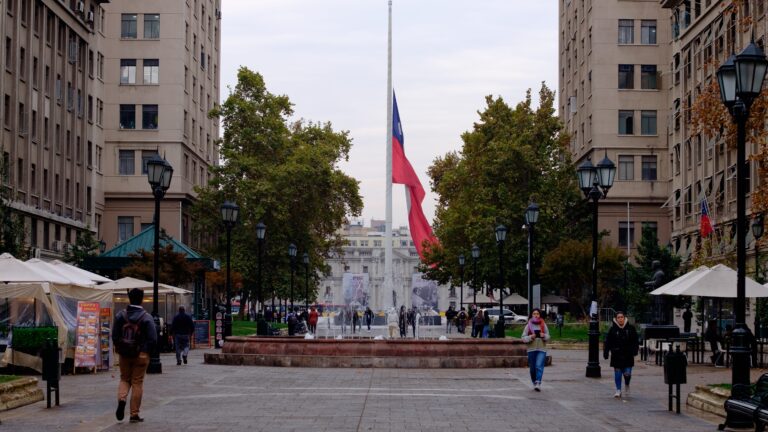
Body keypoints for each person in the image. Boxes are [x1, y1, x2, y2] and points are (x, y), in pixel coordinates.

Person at [113, 288, 157, 423]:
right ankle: (134, 414)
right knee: (137, 382)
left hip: (124, 354)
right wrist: (146, 351)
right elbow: (153, 339)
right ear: (142, 299)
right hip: (141, 354)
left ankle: (122, 399)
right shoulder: (146, 317)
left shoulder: (121, 316)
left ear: (129, 299)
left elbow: (114, 336)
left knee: (124, 379)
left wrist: (120, 348)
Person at [603, 311, 639, 399]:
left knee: (627, 373)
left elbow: (635, 340)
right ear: (616, 319)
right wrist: (606, 352)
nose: (620, 319)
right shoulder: (612, 329)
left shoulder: (630, 328)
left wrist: (635, 350)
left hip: (628, 354)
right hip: (616, 354)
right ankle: (618, 390)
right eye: (618, 317)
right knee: (618, 373)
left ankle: (627, 385)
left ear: (624, 318)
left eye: (621, 317)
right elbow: (608, 342)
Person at [521, 308, 550, 391]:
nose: (536, 315)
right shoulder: (528, 325)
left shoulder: (543, 324)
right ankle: (534, 382)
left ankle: (538, 382)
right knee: (532, 368)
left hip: (542, 349)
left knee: (539, 366)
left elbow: (548, 337)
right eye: (534, 313)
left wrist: (543, 335)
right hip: (531, 349)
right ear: (532, 315)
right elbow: (523, 338)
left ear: (540, 315)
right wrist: (531, 337)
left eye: (537, 313)